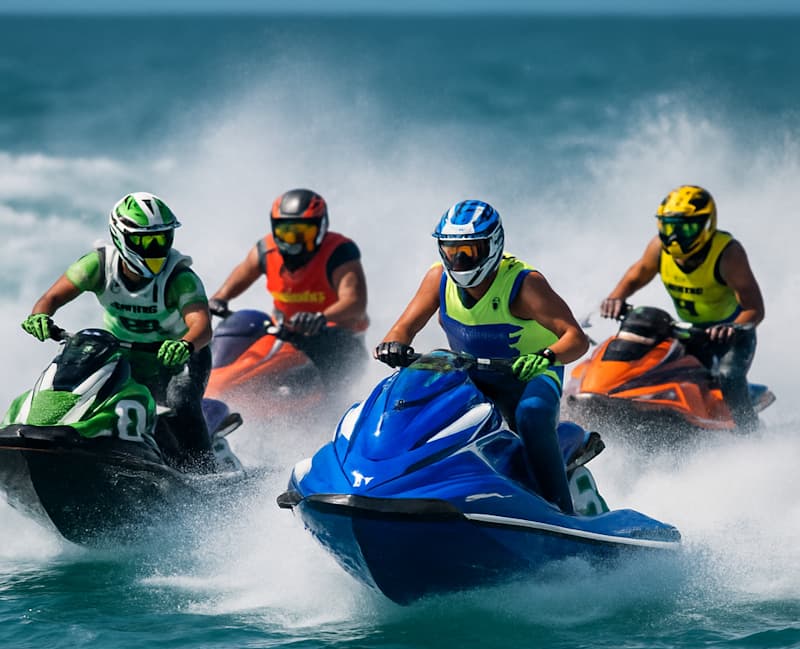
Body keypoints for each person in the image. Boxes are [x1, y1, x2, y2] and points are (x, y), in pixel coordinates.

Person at [375, 200, 589, 513]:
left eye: (468, 252)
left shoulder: (526, 284)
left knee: (531, 415)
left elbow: (576, 339)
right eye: (450, 251)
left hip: (529, 373)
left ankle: (561, 511)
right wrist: (392, 345)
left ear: (492, 246)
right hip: (470, 372)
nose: (458, 260)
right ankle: (392, 482)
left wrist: (545, 357)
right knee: (410, 400)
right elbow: (403, 328)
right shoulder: (438, 279)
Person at [21, 191, 216, 471]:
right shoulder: (97, 265)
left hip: (179, 356)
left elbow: (202, 326)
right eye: (146, 241)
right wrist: (39, 316)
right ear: (122, 237)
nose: (156, 249)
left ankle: (207, 472)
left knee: (181, 401)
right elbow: (50, 299)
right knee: (91, 391)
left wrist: (184, 345)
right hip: (122, 353)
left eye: (162, 239)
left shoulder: (179, 278)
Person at [600, 184, 765, 433]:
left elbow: (754, 309)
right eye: (669, 227)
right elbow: (636, 276)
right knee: (657, 362)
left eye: (685, 228)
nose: (675, 236)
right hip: (690, 330)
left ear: (706, 226)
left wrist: (731, 327)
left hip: (733, 335)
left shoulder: (728, 254)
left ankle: (749, 435)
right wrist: (615, 298)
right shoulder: (658, 248)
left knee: (728, 377)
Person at [209, 188, 369, 393]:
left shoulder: (339, 252)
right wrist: (220, 298)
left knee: (312, 384)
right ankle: (212, 398)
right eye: (286, 232)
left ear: (321, 228)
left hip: (337, 340)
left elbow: (355, 303)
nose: (294, 241)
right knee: (237, 356)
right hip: (287, 335)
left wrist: (320, 317)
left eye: (303, 233)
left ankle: (325, 413)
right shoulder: (266, 250)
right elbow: (243, 274)